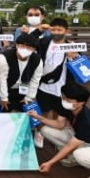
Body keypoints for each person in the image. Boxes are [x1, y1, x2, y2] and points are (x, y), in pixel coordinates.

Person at [29, 83, 90, 178]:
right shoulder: (68, 108)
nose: (65, 101)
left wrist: (50, 163)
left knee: (79, 154)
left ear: (81, 102)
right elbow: (59, 124)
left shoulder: (88, 121)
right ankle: (75, 158)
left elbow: (70, 145)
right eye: (64, 98)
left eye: (69, 100)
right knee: (45, 130)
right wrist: (38, 117)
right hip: (81, 140)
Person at [33, 18, 78, 147]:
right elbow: (28, 41)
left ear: (66, 31)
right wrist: (38, 31)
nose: (56, 32)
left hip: (63, 88)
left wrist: (71, 57)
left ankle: (55, 137)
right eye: (53, 29)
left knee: (60, 114)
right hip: (44, 86)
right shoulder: (44, 42)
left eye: (60, 29)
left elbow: (80, 68)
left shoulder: (72, 46)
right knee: (43, 111)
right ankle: (39, 132)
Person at [0, 34, 43, 112]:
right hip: (5, 89)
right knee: (3, 113)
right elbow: (0, 78)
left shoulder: (37, 60)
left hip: (23, 91)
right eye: (22, 46)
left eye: (29, 47)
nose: (25, 49)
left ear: (34, 49)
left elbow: (35, 80)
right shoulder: (4, 57)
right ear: (16, 45)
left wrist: (29, 97)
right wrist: (3, 97)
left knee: (29, 116)